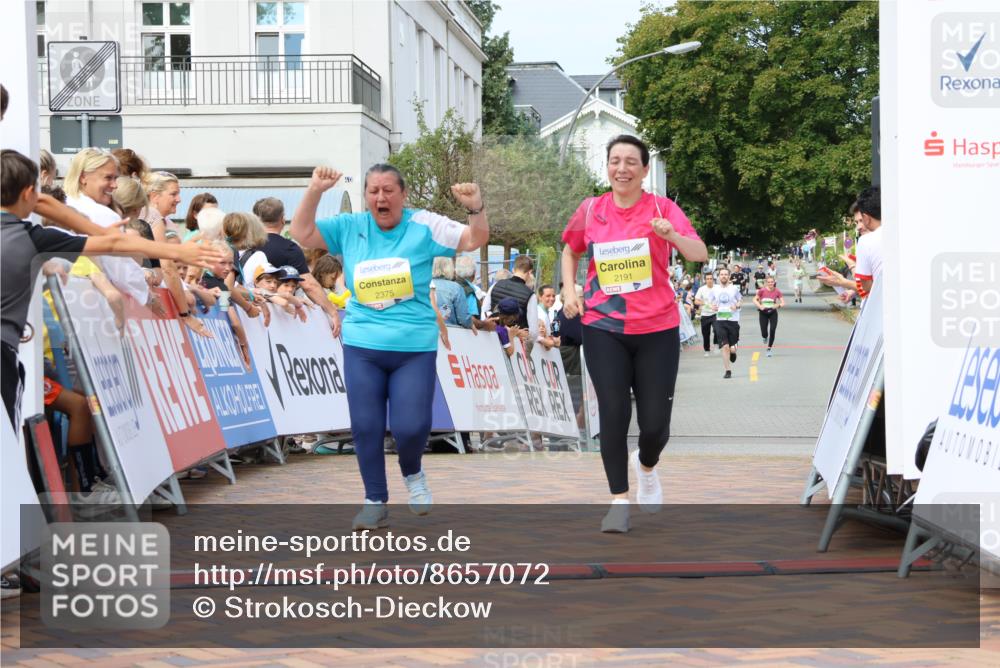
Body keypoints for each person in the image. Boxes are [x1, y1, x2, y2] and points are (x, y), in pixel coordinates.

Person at [291, 163, 488, 529]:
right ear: (366, 196)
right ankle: (374, 499)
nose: (380, 198)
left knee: (411, 427)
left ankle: (412, 471)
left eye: (388, 190)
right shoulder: (351, 227)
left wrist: (475, 208)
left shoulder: (424, 224)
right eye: (373, 191)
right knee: (365, 425)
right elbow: (301, 232)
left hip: (413, 346)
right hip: (363, 343)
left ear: (403, 194)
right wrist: (315, 189)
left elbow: (474, 239)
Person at [1, 149, 224, 431]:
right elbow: (116, 246)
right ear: (29, 193)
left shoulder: (31, 233)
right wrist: (176, 250)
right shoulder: (31, 237)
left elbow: (45, 202)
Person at [560, 135, 707, 533]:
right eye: (614, 161)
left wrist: (671, 236)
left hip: (657, 327)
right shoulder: (591, 210)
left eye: (630, 162)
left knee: (656, 422)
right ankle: (618, 501)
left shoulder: (662, 208)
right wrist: (570, 290)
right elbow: (571, 251)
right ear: (606, 167)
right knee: (612, 413)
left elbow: (700, 253)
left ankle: (647, 466)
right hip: (603, 327)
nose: (621, 168)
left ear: (644, 170)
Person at [252, 196, 345, 336]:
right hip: (281, 321)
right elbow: (309, 285)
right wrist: (332, 312)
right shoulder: (290, 248)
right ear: (283, 219)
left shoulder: (244, 246)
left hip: (250, 313)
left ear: (256, 220)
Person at [818, 187, 882, 302]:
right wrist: (852, 291)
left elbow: (868, 288)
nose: (859, 227)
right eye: (856, 222)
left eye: (861, 220)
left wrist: (843, 281)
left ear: (867, 218)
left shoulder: (866, 242)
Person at [480, 255, 539, 345]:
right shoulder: (531, 295)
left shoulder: (495, 285)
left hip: (492, 339)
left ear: (513, 269)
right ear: (530, 272)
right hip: (515, 344)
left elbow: (484, 313)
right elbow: (533, 332)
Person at [711, 267, 743, 379]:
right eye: (721, 274)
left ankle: (733, 352)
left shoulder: (734, 289)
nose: (723, 276)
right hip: (720, 320)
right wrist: (712, 306)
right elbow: (710, 302)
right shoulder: (714, 289)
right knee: (724, 347)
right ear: (719, 276)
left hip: (733, 320)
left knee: (732, 348)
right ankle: (728, 370)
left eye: (725, 274)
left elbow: (740, 300)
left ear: (729, 276)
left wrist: (737, 305)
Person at [431, 257, 471, 328]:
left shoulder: (422, 286)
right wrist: (472, 324)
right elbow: (464, 319)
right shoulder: (456, 288)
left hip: (426, 332)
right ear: (450, 267)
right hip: (452, 333)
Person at [454, 255, 491, 331]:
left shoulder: (451, 285)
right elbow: (471, 320)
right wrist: (484, 323)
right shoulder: (469, 292)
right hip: (464, 335)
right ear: (474, 274)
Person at [754, 275, 785, 357]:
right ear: (766, 283)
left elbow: (783, 302)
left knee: (772, 329)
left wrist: (777, 305)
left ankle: (769, 348)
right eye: (769, 282)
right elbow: (754, 299)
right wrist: (760, 306)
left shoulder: (777, 291)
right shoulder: (762, 290)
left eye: (772, 282)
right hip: (763, 312)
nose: (770, 283)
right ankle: (765, 337)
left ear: (774, 282)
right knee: (764, 332)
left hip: (773, 313)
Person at [694, 272, 719, 357]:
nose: (709, 280)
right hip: (705, 314)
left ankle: (716, 344)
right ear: (705, 280)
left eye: (710, 279)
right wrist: (703, 302)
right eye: (707, 279)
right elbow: (696, 301)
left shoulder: (718, 288)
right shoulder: (702, 289)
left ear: (713, 279)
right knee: (705, 333)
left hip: (716, 313)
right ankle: (707, 350)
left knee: (717, 329)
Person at [536, 284, 560, 350]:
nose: (552, 298)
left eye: (553, 296)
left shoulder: (545, 312)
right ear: (540, 297)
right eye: (548, 296)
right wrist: (552, 342)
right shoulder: (539, 313)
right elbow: (536, 335)